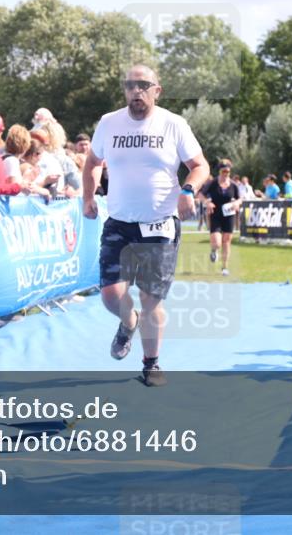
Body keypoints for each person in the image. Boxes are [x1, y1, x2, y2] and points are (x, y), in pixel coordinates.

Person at [82, 64, 209, 387]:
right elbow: (93, 162)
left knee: (152, 299)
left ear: (157, 90)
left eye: (143, 85)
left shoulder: (173, 124)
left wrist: (187, 190)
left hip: (160, 226)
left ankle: (151, 363)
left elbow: (199, 165)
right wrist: (88, 197)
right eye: (130, 85)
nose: (136, 91)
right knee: (111, 295)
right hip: (119, 224)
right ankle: (128, 322)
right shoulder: (109, 123)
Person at [201, 159, 241, 277]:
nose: (226, 174)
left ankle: (224, 267)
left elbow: (240, 198)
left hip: (229, 215)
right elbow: (200, 194)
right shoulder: (212, 183)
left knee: (227, 241)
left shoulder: (233, 185)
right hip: (215, 215)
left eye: (228, 171)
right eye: (223, 171)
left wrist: (236, 203)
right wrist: (207, 203)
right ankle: (214, 250)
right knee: (217, 243)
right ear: (219, 171)